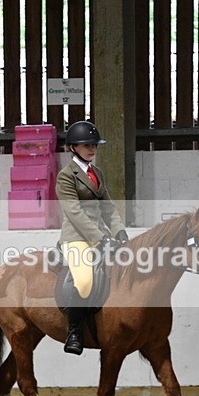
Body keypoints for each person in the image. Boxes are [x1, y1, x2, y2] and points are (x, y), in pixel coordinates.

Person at [55, 120, 128, 355]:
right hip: (76, 238)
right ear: (72, 147)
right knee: (84, 281)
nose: (92, 149)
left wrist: (120, 232)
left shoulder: (97, 173)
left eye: (94, 145)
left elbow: (107, 207)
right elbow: (74, 213)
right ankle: (74, 331)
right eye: (86, 145)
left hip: (102, 236)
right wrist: (100, 239)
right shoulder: (66, 176)